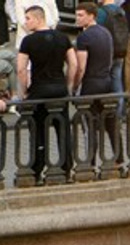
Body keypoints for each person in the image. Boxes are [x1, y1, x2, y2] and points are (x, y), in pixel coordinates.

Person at [16, 4, 77, 180]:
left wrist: (24, 90)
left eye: (28, 18)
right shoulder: (62, 37)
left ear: (38, 18)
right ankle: (66, 167)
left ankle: (37, 167)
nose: (25, 22)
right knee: (63, 128)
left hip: (39, 89)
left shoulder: (28, 41)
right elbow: (73, 64)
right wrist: (69, 85)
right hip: (59, 88)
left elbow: (21, 69)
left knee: (38, 130)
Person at [73, 0, 116, 94]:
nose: (77, 18)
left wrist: (75, 85)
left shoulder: (84, 37)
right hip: (106, 81)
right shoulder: (106, 32)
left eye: (81, 15)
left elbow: (81, 68)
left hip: (90, 83)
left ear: (91, 16)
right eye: (77, 15)